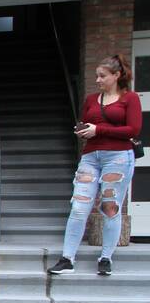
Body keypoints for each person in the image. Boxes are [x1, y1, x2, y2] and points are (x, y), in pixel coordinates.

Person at [48, 55, 143, 277]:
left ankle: (106, 258)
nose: (98, 80)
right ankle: (67, 259)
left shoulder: (130, 98)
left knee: (110, 207)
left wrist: (98, 130)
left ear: (116, 75)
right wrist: (83, 131)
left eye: (102, 76)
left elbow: (133, 130)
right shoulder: (91, 99)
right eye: (97, 76)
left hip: (118, 157)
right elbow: (86, 123)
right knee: (79, 207)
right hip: (91, 157)